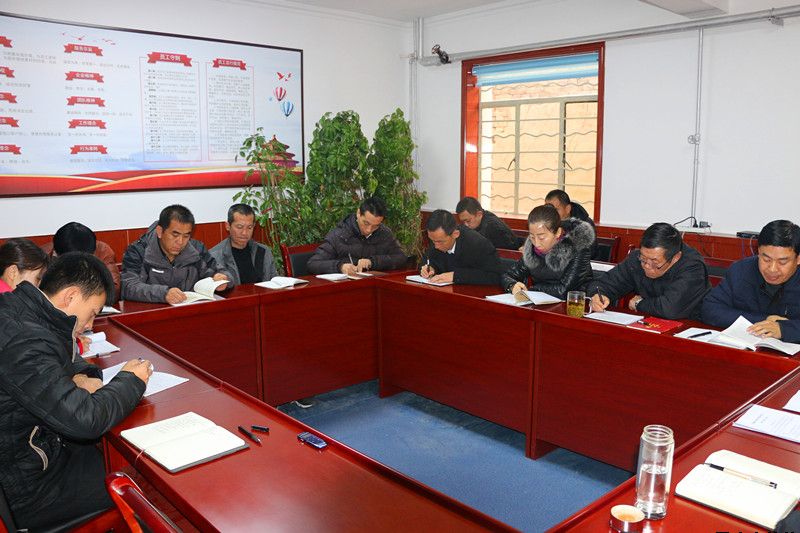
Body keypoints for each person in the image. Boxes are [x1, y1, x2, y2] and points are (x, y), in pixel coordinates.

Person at [0, 252, 152, 531]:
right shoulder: (23, 341)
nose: (91, 324)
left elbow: (70, 360)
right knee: (138, 482)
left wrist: (81, 376)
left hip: (38, 453)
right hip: (25, 488)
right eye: (92, 313)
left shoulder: (29, 313)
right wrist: (131, 381)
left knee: (118, 458)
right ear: (70, 296)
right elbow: (85, 420)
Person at [702, 220, 800, 342]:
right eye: (766, 259)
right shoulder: (741, 270)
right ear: (758, 252)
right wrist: (763, 321)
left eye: (782, 262)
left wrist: (783, 329)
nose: (772, 269)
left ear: (798, 259)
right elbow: (710, 309)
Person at [587, 222, 710, 319]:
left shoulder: (692, 267)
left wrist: (639, 304)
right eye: (643, 259)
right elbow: (603, 283)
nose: (646, 265)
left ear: (675, 258)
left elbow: (670, 309)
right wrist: (598, 295)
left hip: (689, 328)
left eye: (655, 262)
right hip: (647, 322)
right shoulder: (637, 259)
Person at [121, 205, 230, 303]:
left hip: (190, 309)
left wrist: (222, 279)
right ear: (160, 231)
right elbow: (128, 286)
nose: (180, 242)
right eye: (175, 235)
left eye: (186, 236)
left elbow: (223, 272)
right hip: (152, 313)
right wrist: (163, 294)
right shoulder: (138, 251)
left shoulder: (197, 249)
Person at [501, 204, 594, 299]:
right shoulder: (532, 250)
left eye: (541, 237)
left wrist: (531, 290)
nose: (536, 243)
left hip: (574, 304)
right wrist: (512, 285)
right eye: (532, 237)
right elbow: (508, 275)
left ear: (558, 232)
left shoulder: (577, 249)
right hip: (540, 301)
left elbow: (564, 290)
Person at [307, 196, 407, 275]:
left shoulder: (384, 233)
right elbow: (313, 264)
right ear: (358, 213)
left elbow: (401, 258)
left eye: (375, 226)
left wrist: (372, 262)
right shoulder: (339, 234)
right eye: (366, 223)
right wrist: (340, 267)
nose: (369, 230)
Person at [421, 209, 502, 285]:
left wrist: (455, 276)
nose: (436, 246)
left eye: (440, 242)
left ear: (455, 234)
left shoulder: (477, 244)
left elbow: (495, 276)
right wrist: (430, 268)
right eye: (432, 241)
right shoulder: (437, 238)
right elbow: (429, 260)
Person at [41, 222, 121, 297]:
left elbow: (114, 289)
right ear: (57, 254)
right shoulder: (43, 256)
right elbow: (41, 294)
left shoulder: (102, 250)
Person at [210, 204, 277, 286]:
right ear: (228, 226)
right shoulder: (214, 256)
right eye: (239, 227)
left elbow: (274, 283)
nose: (244, 233)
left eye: (249, 227)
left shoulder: (263, 251)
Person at [455, 196, 523, 250]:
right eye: (463, 221)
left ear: (479, 214)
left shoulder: (493, 227)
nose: (465, 225)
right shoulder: (478, 222)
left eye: (468, 221)